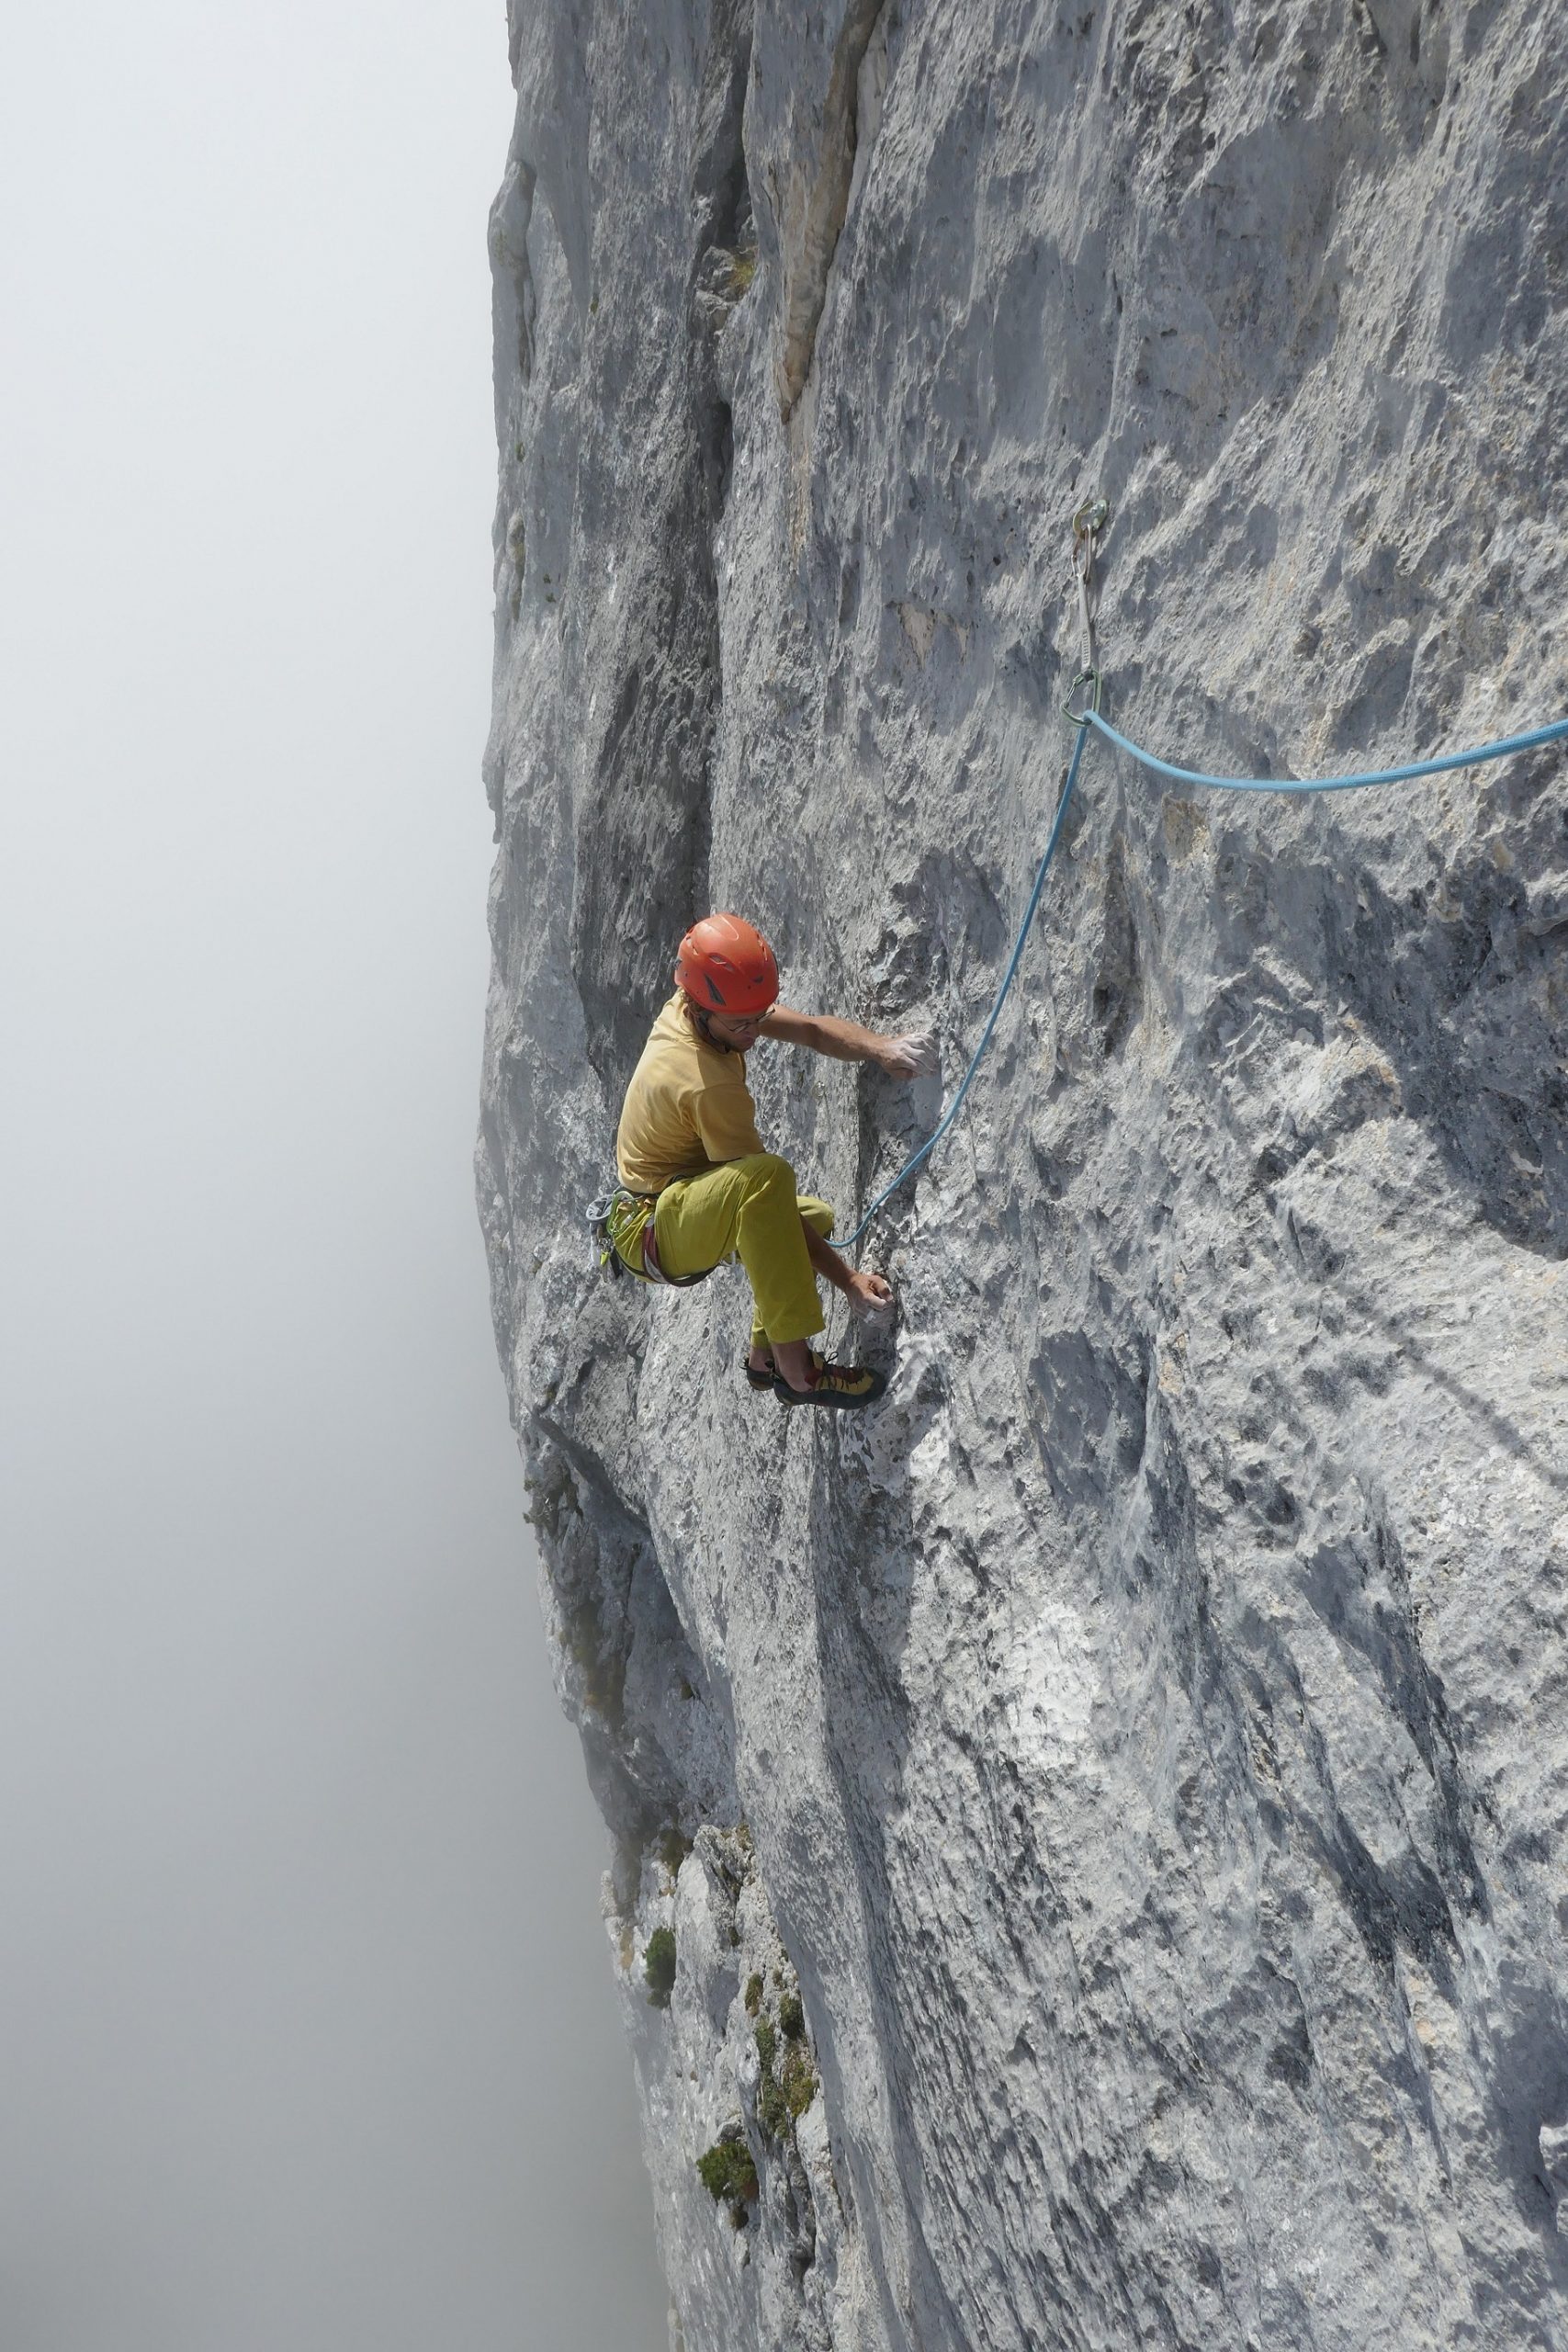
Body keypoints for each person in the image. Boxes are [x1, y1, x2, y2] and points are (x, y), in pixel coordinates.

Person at [606, 913, 935, 1408]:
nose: (754, 1032)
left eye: (759, 1016)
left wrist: (880, 1049)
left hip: (677, 1201)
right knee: (768, 1180)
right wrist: (848, 1281)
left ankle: (764, 1358)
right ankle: (798, 1374)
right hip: (653, 1228)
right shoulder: (704, 1081)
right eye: (742, 1024)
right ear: (701, 1009)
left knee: (813, 1218)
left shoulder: (709, 1009)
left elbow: (811, 1030)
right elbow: (759, 1190)